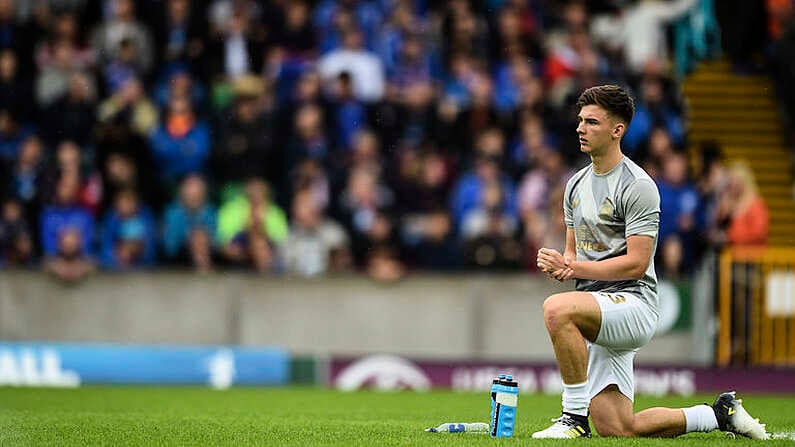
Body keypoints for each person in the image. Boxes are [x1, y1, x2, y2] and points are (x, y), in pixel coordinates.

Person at [534, 85, 768, 439]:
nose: (580, 128)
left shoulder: (638, 185)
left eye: (592, 122)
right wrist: (559, 262)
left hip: (634, 303)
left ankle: (573, 419)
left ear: (618, 130)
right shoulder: (575, 185)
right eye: (580, 121)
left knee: (556, 310)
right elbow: (574, 255)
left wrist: (574, 269)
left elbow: (636, 264)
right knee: (618, 428)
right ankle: (718, 414)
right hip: (596, 306)